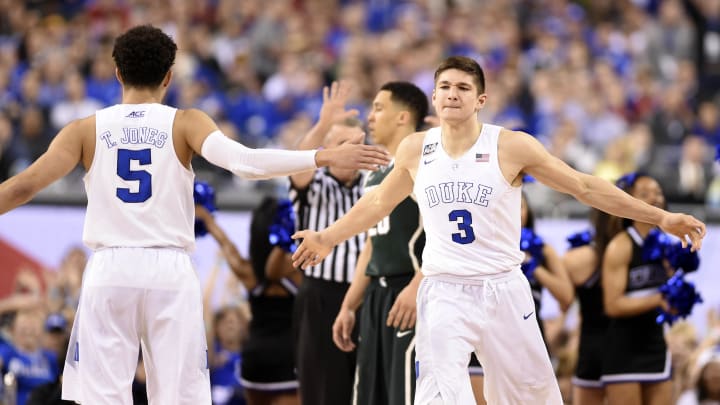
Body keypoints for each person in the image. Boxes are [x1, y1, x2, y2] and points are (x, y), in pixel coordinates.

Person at [0, 25, 389, 405]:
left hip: (110, 269)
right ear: (169, 76)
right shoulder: (185, 122)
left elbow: (21, 187)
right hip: (169, 271)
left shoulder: (85, 129)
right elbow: (246, 163)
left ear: (117, 73)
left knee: (102, 397)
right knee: (180, 397)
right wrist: (322, 155)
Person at [291, 55, 707, 405]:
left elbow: (583, 186)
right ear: (434, 96)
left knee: (533, 394)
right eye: (445, 87)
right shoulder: (416, 149)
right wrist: (327, 237)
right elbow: (378, 202)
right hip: (443, 290)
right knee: (439, 395)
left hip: (502, 288)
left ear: (481, 99)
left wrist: (660, 217)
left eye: (463, 88)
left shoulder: (510, 146)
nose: (453, 93)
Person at [331, 81, 428, 405]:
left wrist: (417, 286)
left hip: (412, 290)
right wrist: (349, 305)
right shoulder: (375, 174)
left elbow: (445, 238)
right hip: (377, 296)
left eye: (378, 108)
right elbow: (370, 246)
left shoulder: (426, 165)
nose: (370, 117)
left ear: (403, 117)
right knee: (371, 393)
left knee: (407, 394)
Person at [288, 81, 370, 405]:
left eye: (355, 143)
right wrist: (323, 125)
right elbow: (297, 165)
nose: (349, 151)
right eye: (340, 145)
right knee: (322, 388)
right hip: (321, 295)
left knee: (368, 387)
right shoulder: (313, 182)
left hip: (367, 296)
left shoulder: (377, 181)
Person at [600, 172, 696, 405]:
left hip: (656, 345)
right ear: (628, 200)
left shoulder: (667, 246)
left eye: (658, 192)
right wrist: (659, 300)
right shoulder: (620, 246)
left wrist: (678, 301)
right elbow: (613, 306)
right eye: (645, 194)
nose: (655, 198)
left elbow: (671, 299)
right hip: (624, 348)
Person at [197, 195, 302, 405]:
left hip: (255, 363)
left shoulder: (249, 273)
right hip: (288, 359)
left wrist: (206, 219)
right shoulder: (297, 270)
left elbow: (226, 246)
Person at [562, 209, 621, 405]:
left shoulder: (575, 258)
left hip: (592, 344)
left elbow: (565, 303)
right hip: (624, 346)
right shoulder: (635, 254)